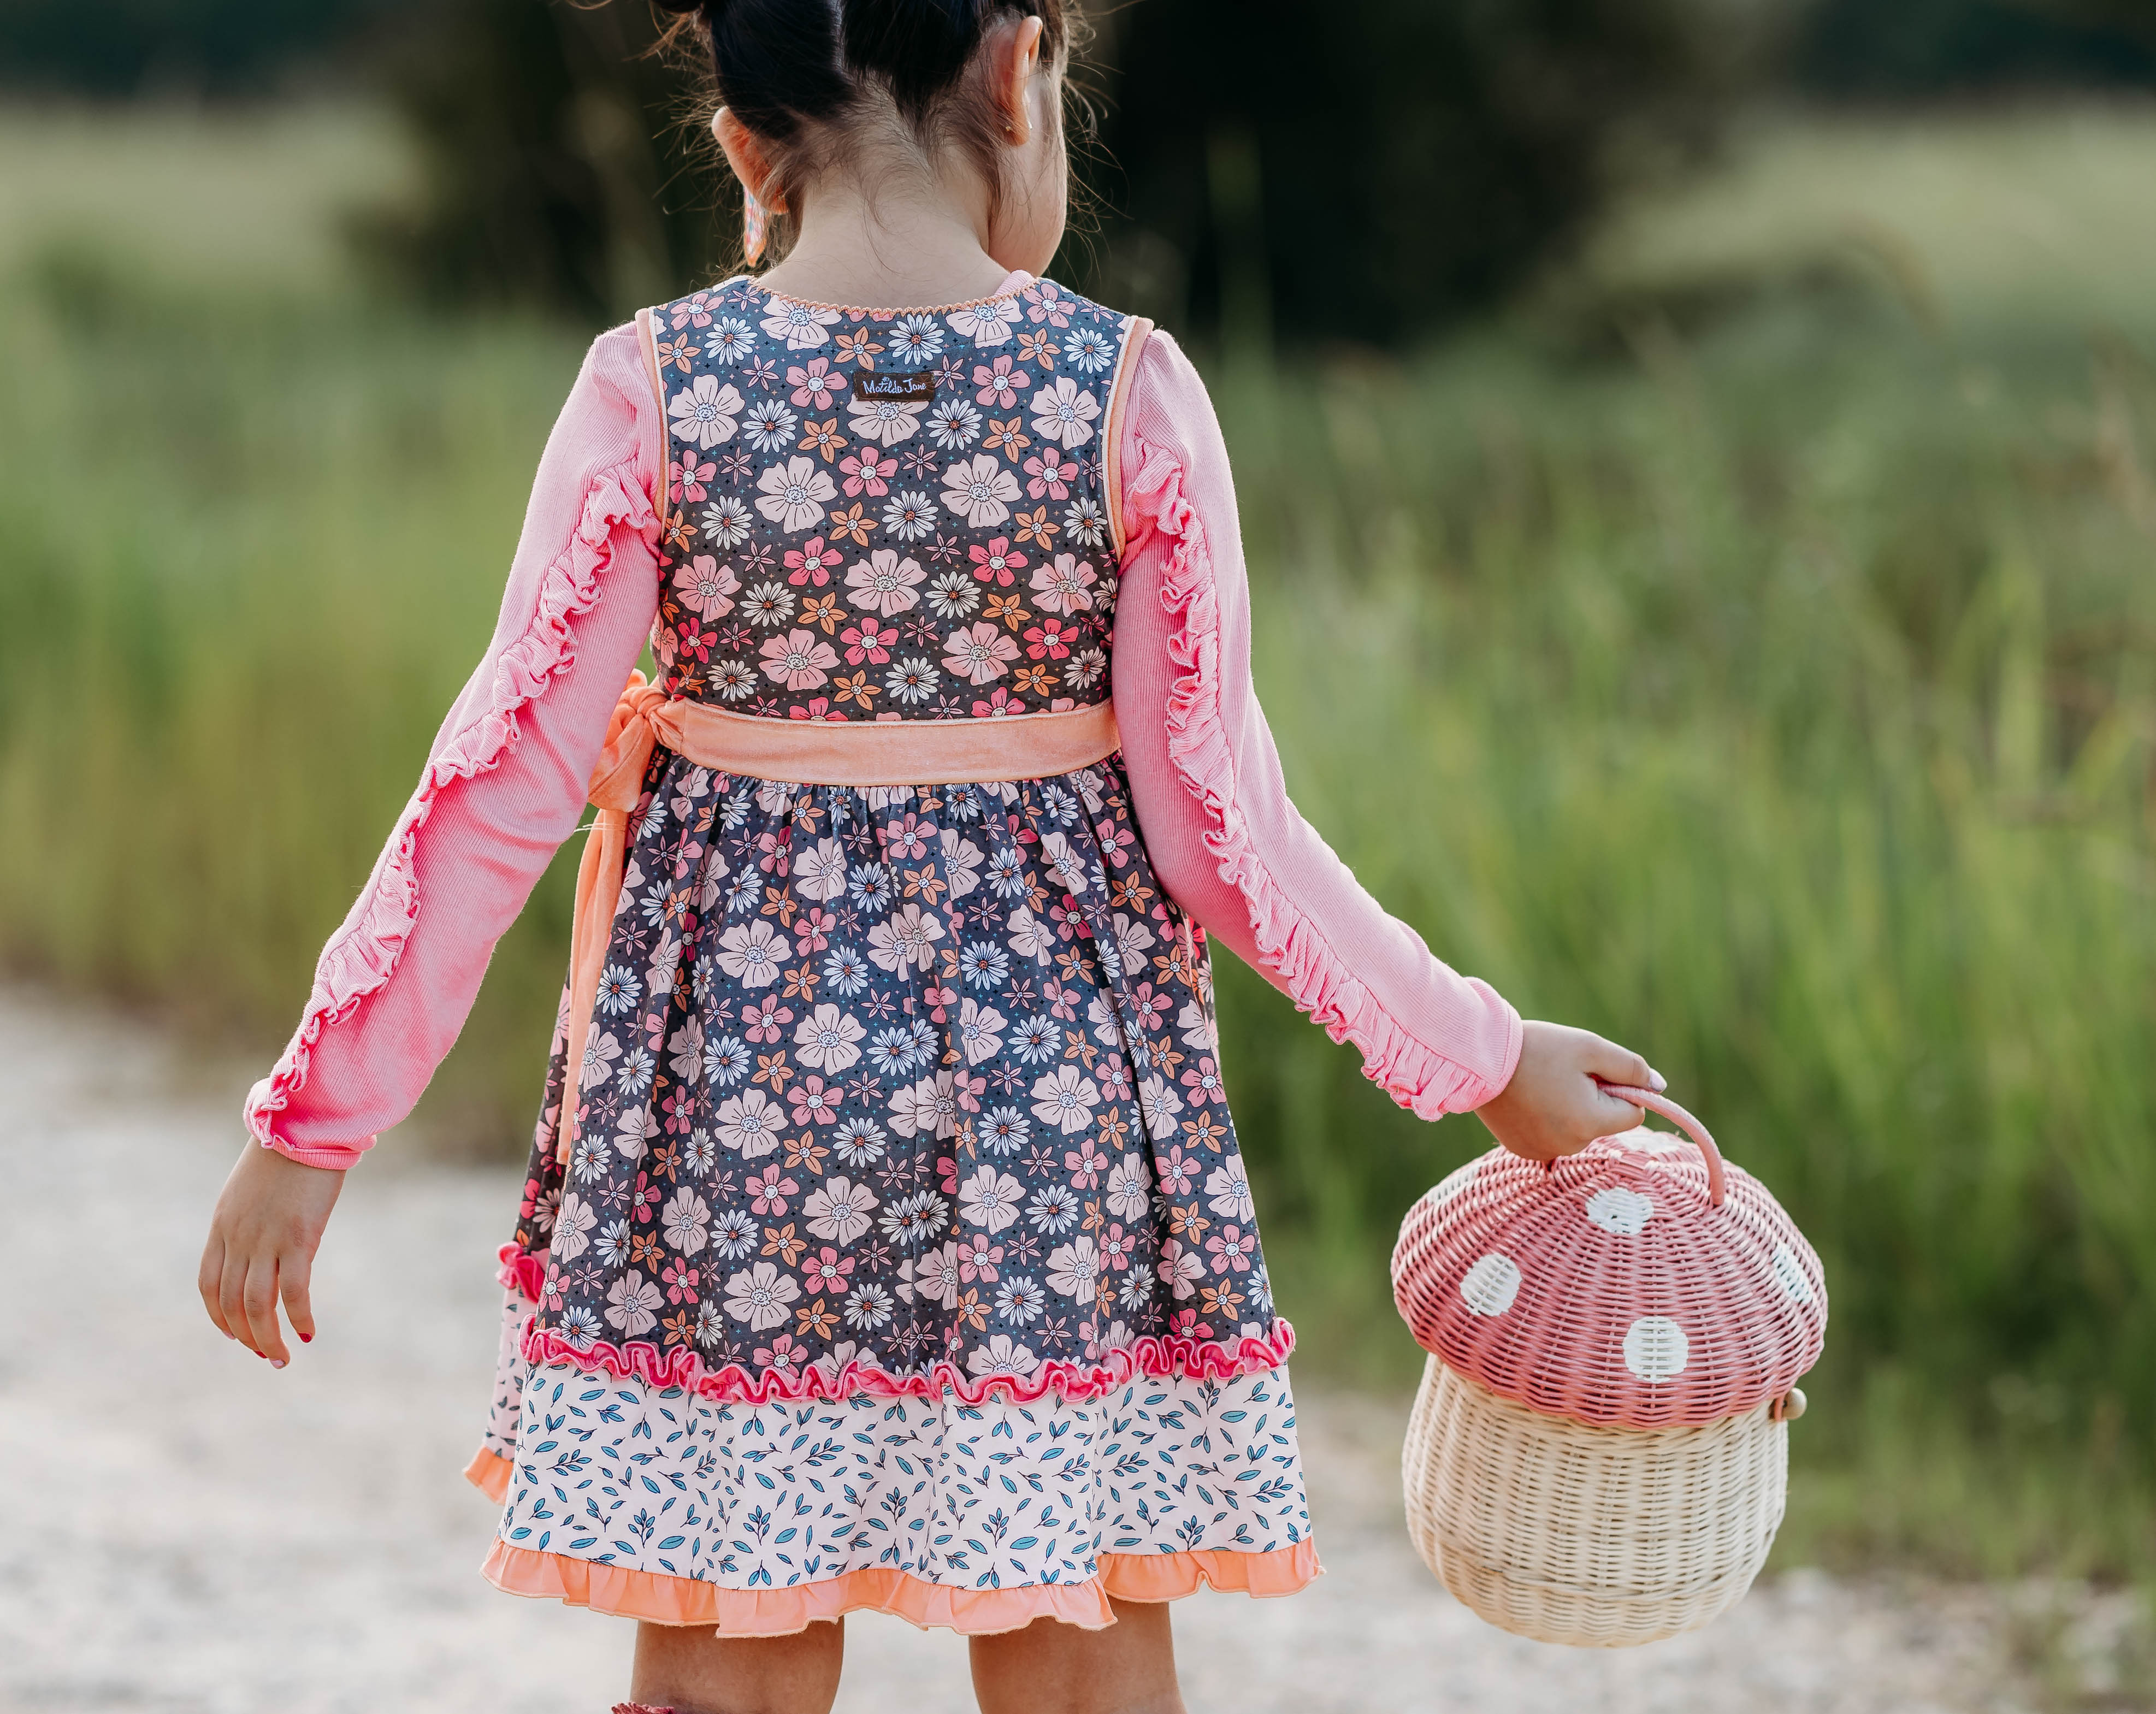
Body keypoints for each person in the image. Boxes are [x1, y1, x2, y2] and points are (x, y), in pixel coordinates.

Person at [198, 2, 1661, 1709]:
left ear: (746, 149)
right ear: (1017, 73)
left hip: (734, 1118)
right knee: (1073, 1626)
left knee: (719, 1646)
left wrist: (316, 1120)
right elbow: (1224, 835)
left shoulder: (654, 387)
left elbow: (501, 782)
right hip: (1056, 1137)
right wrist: (1483, 1055)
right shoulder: (1125, 394)